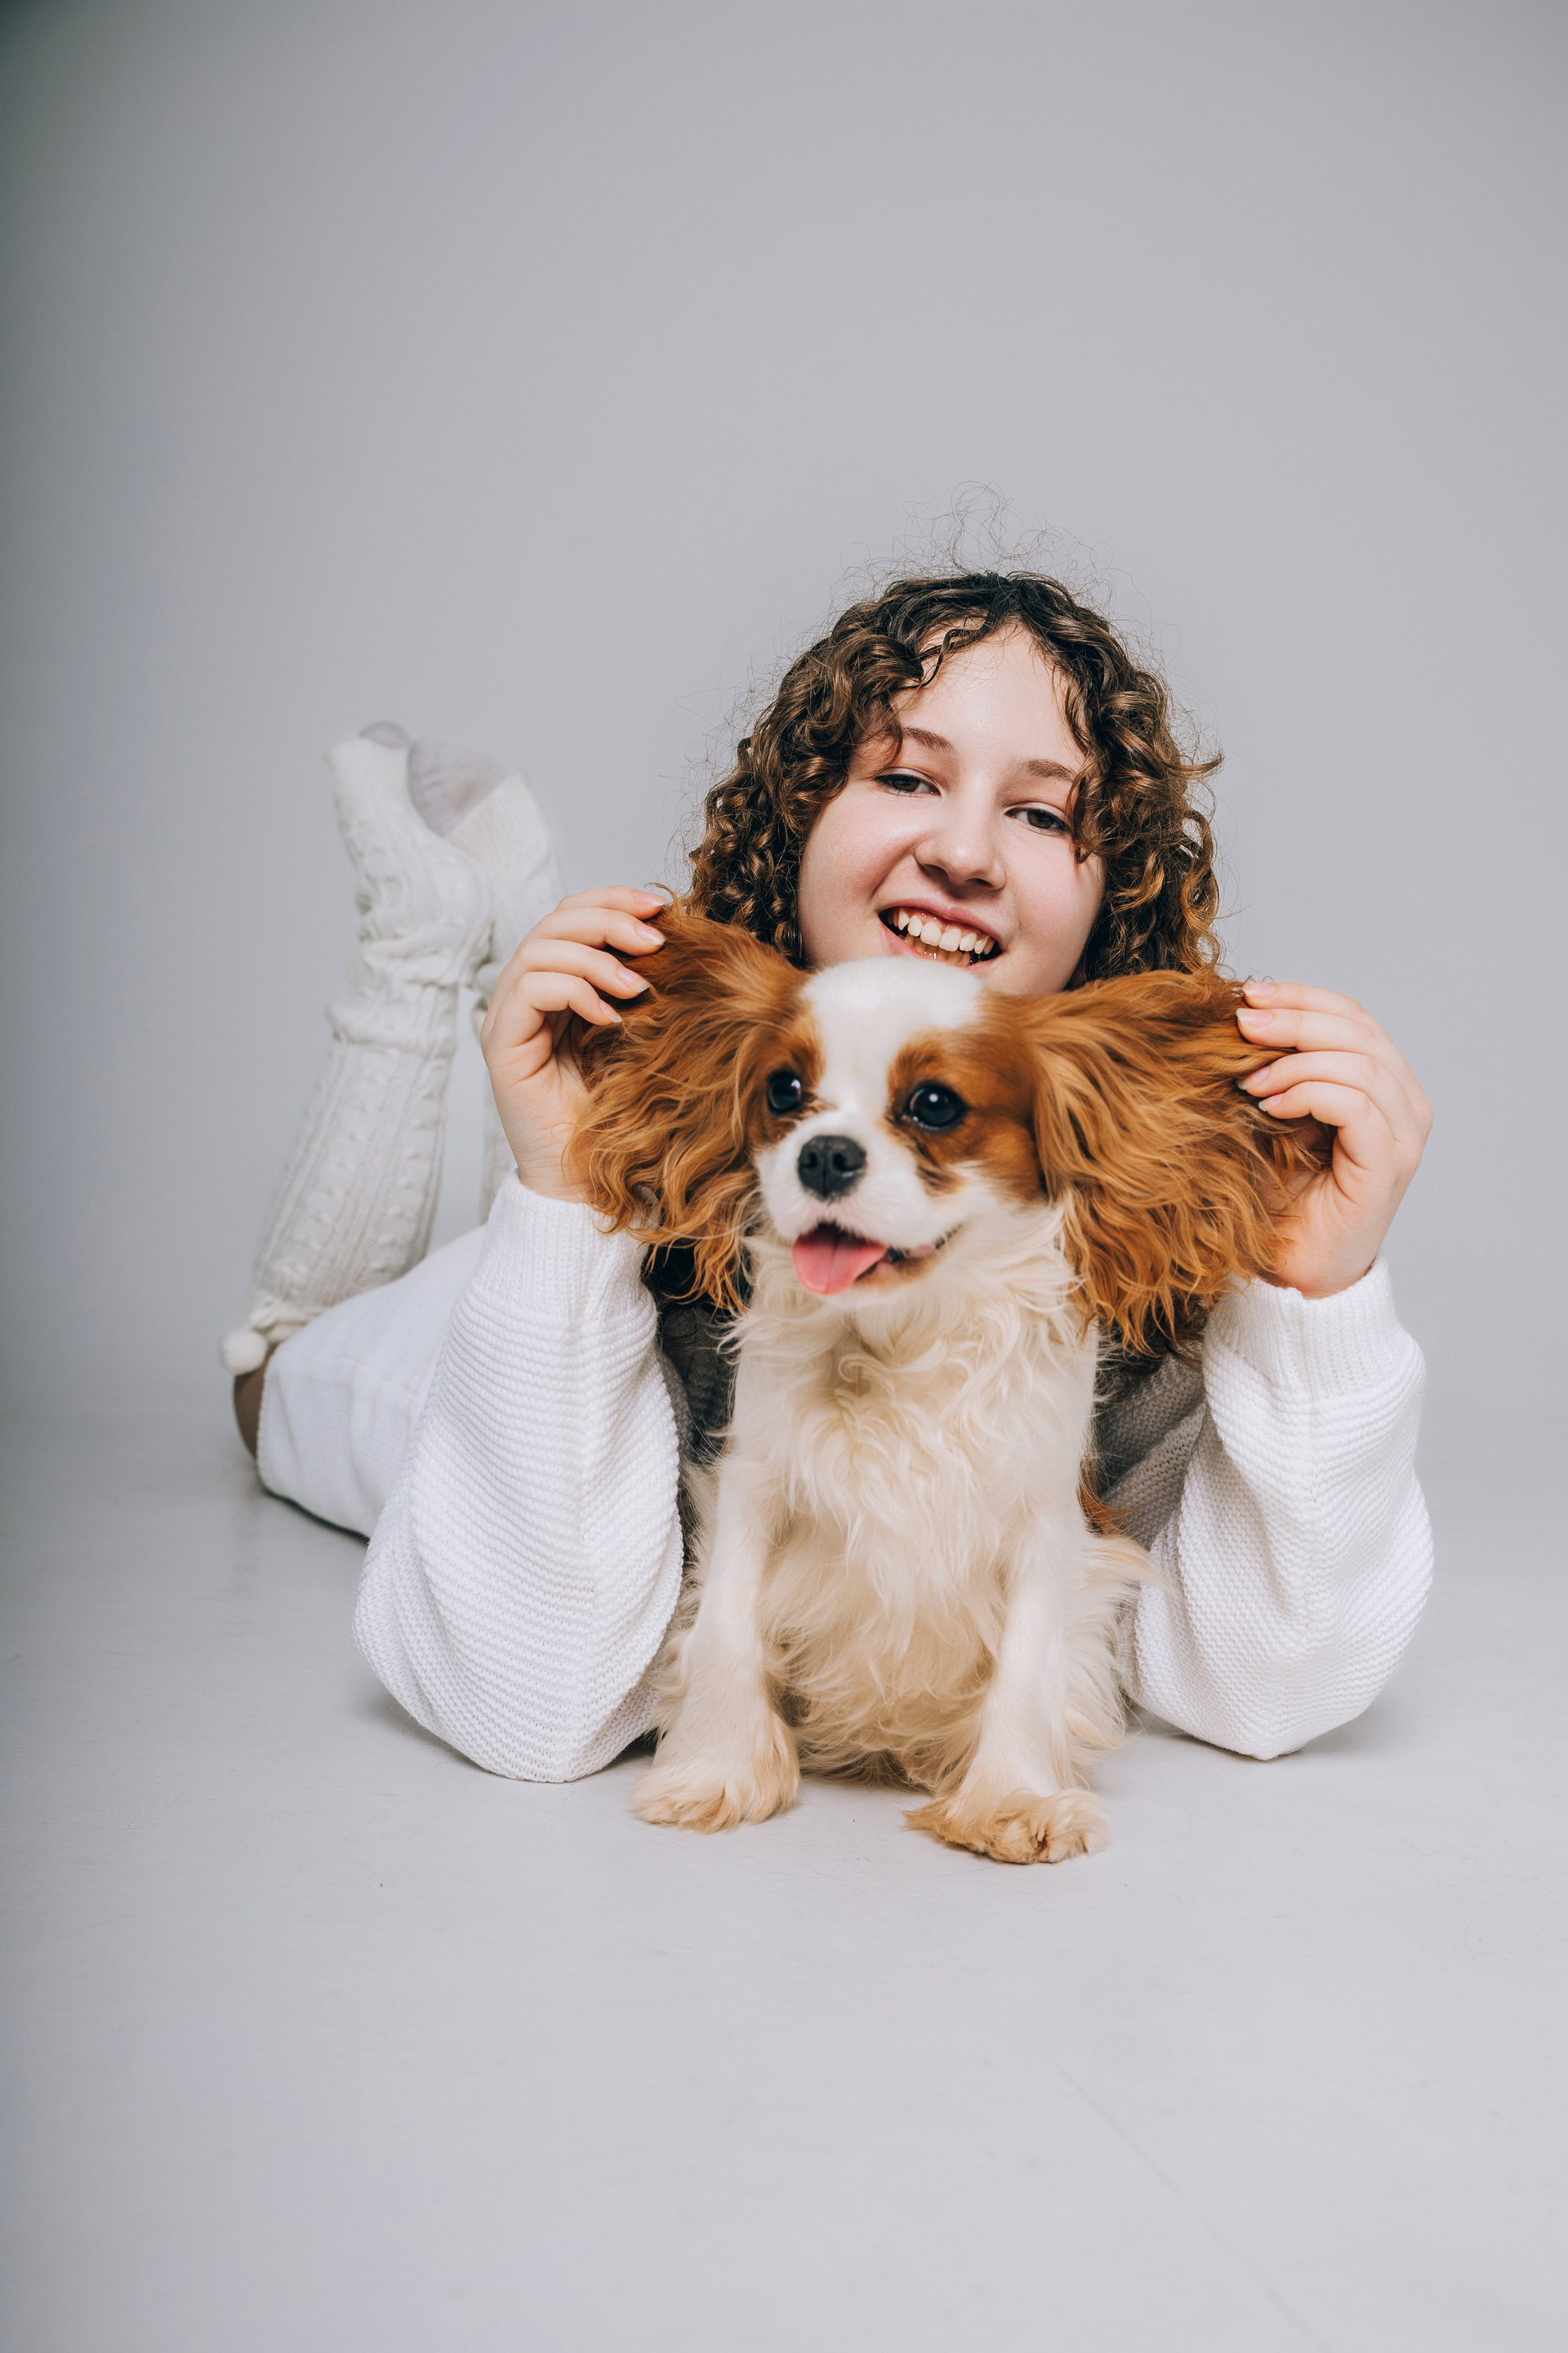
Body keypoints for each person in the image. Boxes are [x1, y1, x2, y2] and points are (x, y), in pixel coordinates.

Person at [226, 572, 1433, 1783]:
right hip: (479, 1364)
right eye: (905, 777)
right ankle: (424, 938)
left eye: (1040, 813)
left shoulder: (1142, 1295)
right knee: (274, 1365)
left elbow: (1265, 1689)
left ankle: (508, 926)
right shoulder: (634, 1238)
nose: (962, 851)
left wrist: (1315, 1296)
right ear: (798, 819)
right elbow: (531, 1701)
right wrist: (561, 1189)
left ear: (1109, 901)